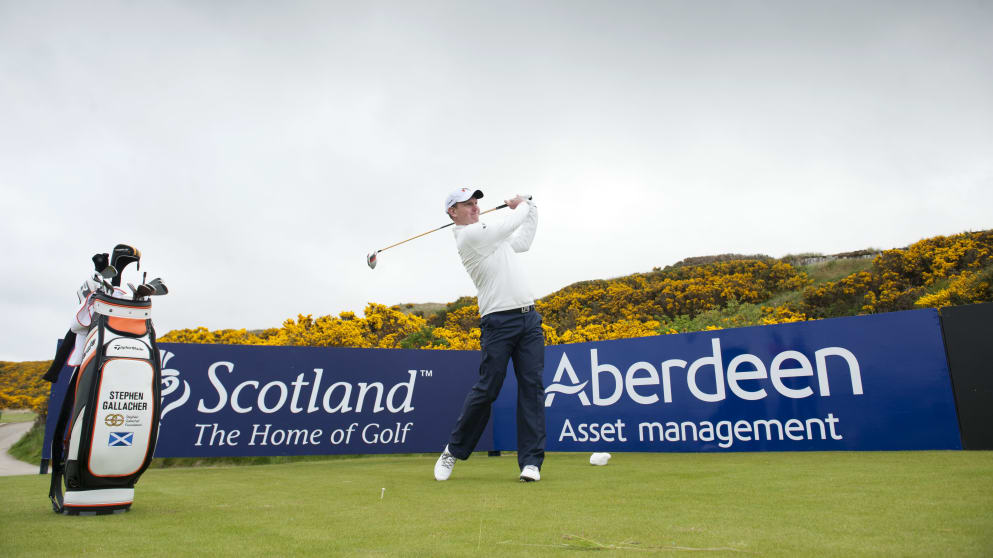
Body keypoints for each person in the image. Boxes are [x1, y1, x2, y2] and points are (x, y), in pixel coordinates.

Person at [434, 187, 546, 482]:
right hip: (498, 323)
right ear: (452, 213)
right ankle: (453, 451)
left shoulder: (491, 236)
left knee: (532, 387)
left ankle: (531, 463)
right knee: (488, 388)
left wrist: (531, 209)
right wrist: (522, 205)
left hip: (529, 319)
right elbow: (509, 224)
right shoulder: (469, 236)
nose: (474, 207)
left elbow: (522, 241)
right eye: (466, 204)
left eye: (475, 203)